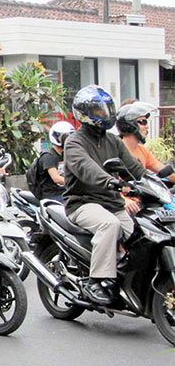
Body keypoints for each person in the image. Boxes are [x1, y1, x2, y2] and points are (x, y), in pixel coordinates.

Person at [64, 85, 146, 305]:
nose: (105, 114)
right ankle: (96, 280)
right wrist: (111, 181)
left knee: (141, 234)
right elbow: (86, 169)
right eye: (99, 111)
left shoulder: (113, 141)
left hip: (112, 203)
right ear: (84, 113)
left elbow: (134, 169)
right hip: (83, 203)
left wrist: (156, 181)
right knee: (109, 225)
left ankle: (131, 281)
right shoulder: (74, 142)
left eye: (107, 109)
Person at [116, 102, 175, 184]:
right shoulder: (115, 149)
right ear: (128, 124)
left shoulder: (142, 150)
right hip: (122, 195)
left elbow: (164, 171)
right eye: (142, 122)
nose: (147, 126)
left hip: (142, 195)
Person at [30, 121, 76, 202]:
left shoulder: (67, 154)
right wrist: (75, 184)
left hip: (65, 192)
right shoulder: (48, 156)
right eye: (64, 136)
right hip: (52, 195)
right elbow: (56, 178)